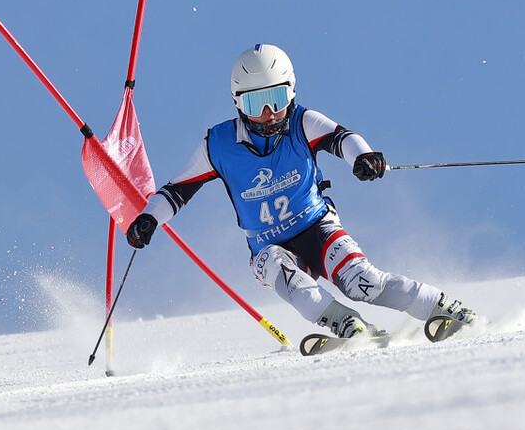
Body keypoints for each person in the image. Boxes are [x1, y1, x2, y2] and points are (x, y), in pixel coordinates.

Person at [125, 43, 476, 342]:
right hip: (267, 246)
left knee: (364, 282)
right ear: (237, 104)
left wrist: (364, 156)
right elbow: (176, 191)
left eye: (276, 98)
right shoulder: (218, 145)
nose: (268, 114)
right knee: (281, 270)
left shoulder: (301, 123)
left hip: (318, 227)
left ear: (291, 92)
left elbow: (342, 137)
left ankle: (445, 309)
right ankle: (348, 326)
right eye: (255, 104)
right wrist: (148, 219)